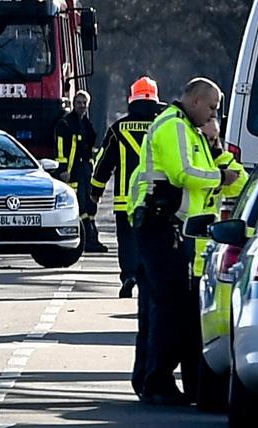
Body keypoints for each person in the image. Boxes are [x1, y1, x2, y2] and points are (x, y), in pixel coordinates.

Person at [127, 77, 239, 405]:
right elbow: (183, 174)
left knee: (168, 306)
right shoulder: (173, 127)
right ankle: (156, 382)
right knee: (168, 305)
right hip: (158, 224)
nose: (214, 115)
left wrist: (217, 148)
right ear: (195, 102)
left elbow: (237, 183)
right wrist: (219, 177)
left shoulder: (197, 133)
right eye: (212, 107)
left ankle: (156, 380)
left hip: (180, 231)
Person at [185, 116, 247, 405]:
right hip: (188, 255)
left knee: (202, 336)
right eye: (207, 140)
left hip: (208, 261)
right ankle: (191, 389)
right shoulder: (197, 165)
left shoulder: (217, 162)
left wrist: (221, 153)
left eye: (214, 140)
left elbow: (241, 184)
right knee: (189, 335)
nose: (211, 145)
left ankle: (197, 389)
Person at [91, 76, 164, 299]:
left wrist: (95, 192)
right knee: (151, 238)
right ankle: (148, 277)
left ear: (131, 99)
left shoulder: (118, 127)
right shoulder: (163, 125)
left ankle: (129, 275)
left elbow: (104, 162)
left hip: (125, 198)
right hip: (155, 197)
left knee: (127, 239)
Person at [54, 91, 108, 252]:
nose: (82, 106)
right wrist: (64, 170)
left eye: (84, 103)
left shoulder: (87, 124)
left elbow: (90, 149)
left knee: (90, 205)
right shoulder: (65, 123)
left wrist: (92, 168)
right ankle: (86, 239)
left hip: (85, 170)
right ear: (73, 103)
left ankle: (92, 237)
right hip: (72, 171)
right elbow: (61, 149)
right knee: (81, 205)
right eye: (79, 102)